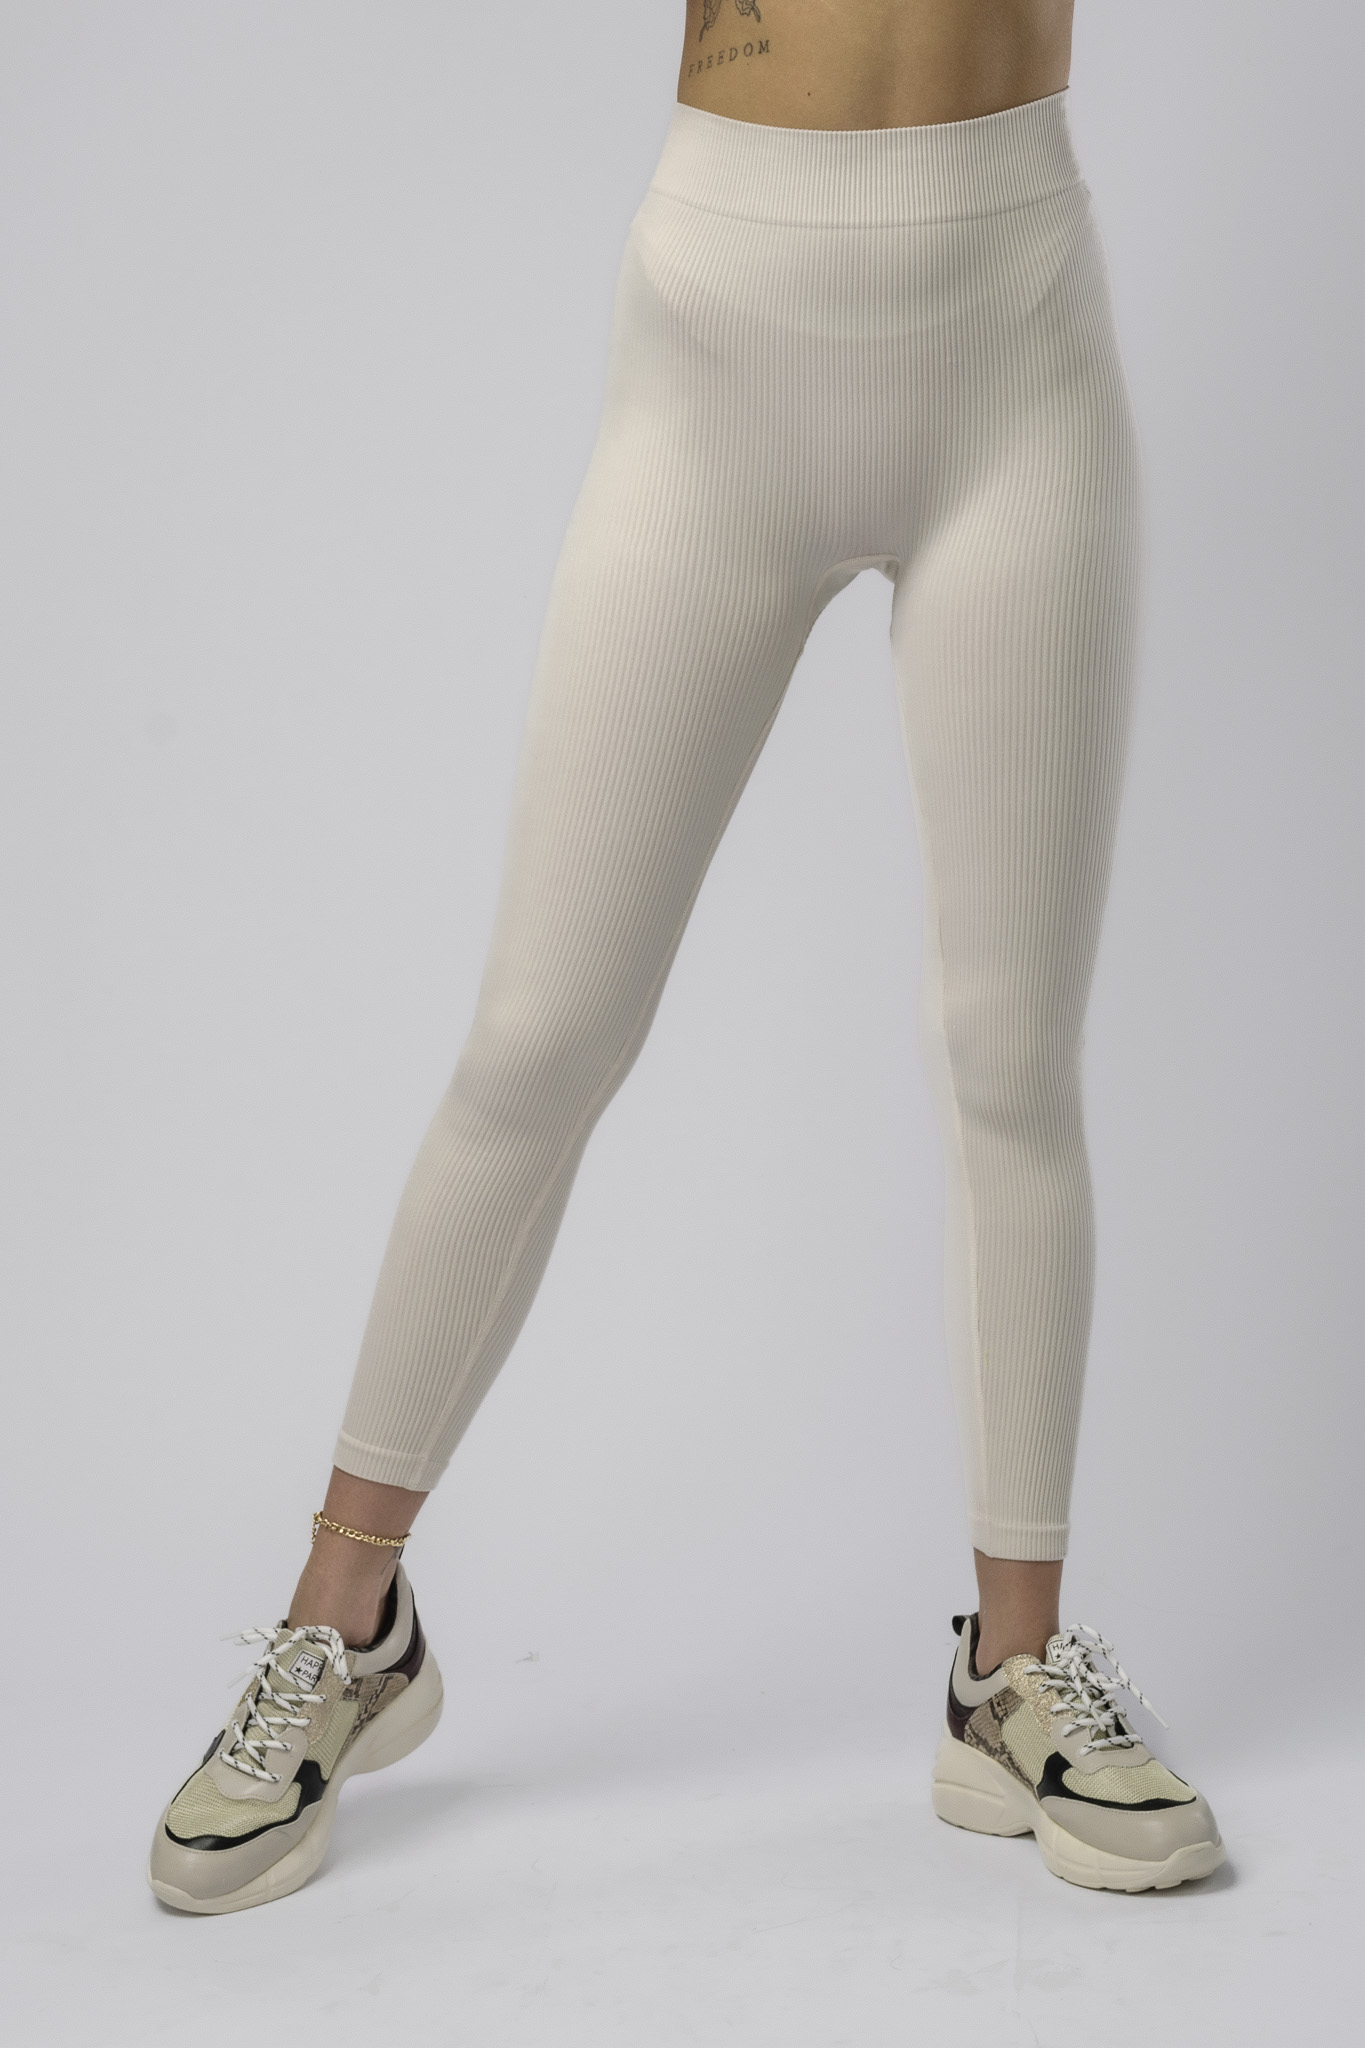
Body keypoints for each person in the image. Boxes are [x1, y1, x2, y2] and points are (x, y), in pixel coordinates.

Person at [148, 0, 1225, 1914]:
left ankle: (1013, 1672)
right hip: (725, 330)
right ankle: (347, 1617)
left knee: (1010, 1057)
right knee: (538, 1038)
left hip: (1013, 332)